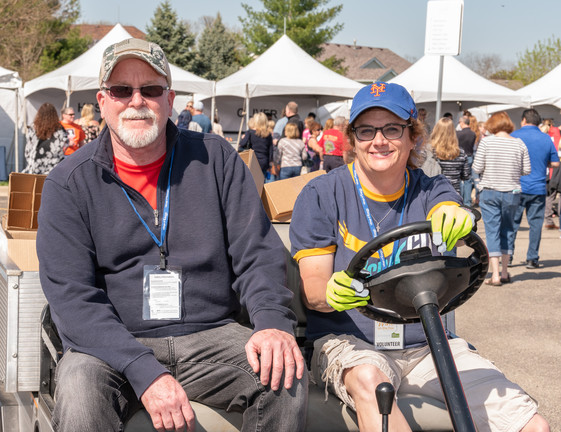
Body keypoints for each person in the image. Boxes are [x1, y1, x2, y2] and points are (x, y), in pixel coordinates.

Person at [37, 38, 307, 432]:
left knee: (285, 375)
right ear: (102, 100)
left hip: (211, 336)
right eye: (121, 90)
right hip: (113, 346)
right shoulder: (68, 182)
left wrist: (270, 323)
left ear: (170, 98)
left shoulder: (217, 159)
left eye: (150, 89)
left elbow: (257, 255)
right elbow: (72, 299)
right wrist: (143, 370)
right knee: (79, 390)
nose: (136, 101)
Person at [290, 83, 549, 432]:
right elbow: (314, 288)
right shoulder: (322, 194)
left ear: (413, 137)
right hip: (349, 342)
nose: (378, 140)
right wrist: (331, 291)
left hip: (428, 343)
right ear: (352, 139)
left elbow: (447, 203)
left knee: (533, 425)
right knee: (371, 381)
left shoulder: (431, 188)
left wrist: (456, 213)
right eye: (366, 130)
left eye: (392, 129)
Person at [472, 111, 531, 285]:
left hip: (490, 191)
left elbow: (477, 166)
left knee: (492, 231)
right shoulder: (519, 144)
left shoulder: (486, 142)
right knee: (508, 230)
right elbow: (526, 169)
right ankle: (505, 272)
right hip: (512, 192)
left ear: (492, 124)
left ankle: (495, 274)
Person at [510, 109, 560, 269]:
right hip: (537, 187)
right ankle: (532, 258)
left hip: (516, 186)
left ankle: (508, 257)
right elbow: (556, 163)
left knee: (512, 224)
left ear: (524, 120)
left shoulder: (514, 136)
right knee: (536, 225)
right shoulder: (545, 138)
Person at [429, 117, 471, 195]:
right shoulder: (460, 152)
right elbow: (466, 176)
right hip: (453, 193)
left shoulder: (430, 151)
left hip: (434, 192)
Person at [22, 102, 68, 174]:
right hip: (54, 168)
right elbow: (64, 146)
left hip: (36, 167)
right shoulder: (60, 129)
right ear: (55, 115)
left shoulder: (33, 128)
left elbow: (28, 150)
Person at [238, 112, 274, 177]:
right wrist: (270, 163)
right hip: (264, 161)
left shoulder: (250, 132)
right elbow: (270, 150)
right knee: (262, 182)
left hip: (254, 160)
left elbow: (242, 144)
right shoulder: (268, 134)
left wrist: (243, 138)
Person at [542, 119, 560, 229]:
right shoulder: (556, 132)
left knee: (549, 196)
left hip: (547, 171)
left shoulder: (543, 136)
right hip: (556, 168)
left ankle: (548, 219)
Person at [456, 115, 477, 206]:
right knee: (468, 179)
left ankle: (460, 199)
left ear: (462, 122)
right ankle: (467, 202)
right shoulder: (473, 134)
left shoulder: (458, 134)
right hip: (469, 156)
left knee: (460, 179)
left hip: (460, 156)